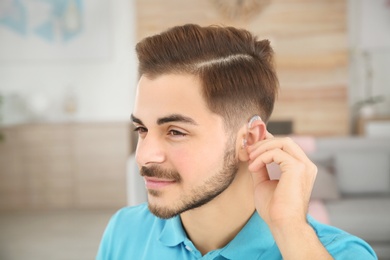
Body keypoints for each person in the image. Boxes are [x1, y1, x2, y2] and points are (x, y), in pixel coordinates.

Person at [97, 24, 377, 259]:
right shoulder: (125, 230)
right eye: (142, 130)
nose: (145, 156)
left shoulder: (340, 253)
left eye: (175, 132)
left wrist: (290, 228)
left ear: (249, 140)